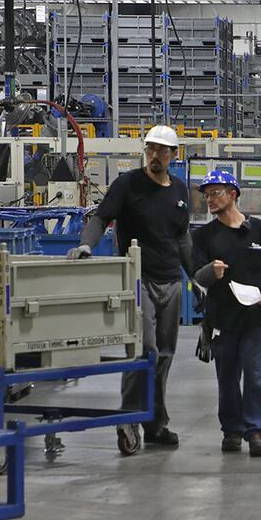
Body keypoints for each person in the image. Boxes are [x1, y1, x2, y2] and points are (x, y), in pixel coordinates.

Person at [71, 126, 193, 449]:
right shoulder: (127, 185)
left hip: (171, 282)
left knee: (165, 355)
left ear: (173, 155)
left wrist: (198, 275)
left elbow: (182, 238)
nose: (155, 156)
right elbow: (101, 218)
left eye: (161, 151)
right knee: (144, 351)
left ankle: (155, 424)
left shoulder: (180, 191)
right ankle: (128, 421)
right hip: (138, 281)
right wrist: (87, 245)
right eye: (150, 149)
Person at [191, 168, 261, 456]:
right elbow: (196, 276)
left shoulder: (260, 231)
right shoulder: (204, 236)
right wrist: (211, 272)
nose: (210, 200)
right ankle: (231, 430)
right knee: (227, 377)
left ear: (233, 195)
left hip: (256, 318)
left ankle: (256, 431)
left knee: (257, 375)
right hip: (222, 319)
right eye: (206, 195)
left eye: (215, 193)